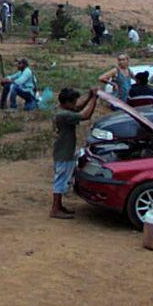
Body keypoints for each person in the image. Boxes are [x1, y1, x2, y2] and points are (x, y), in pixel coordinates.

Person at [51, 86, 99, 219]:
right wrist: (94, 98)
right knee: (60, 181)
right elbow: (85, 115)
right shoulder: (64, 115)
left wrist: (89, 96)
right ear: (67, 103)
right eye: (73, 102)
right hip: (64, 152)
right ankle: (55, 208)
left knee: (61, 179)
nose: (75, 104)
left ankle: (58, 206)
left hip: (62, 150)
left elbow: (77, 108)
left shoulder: (61, 110)